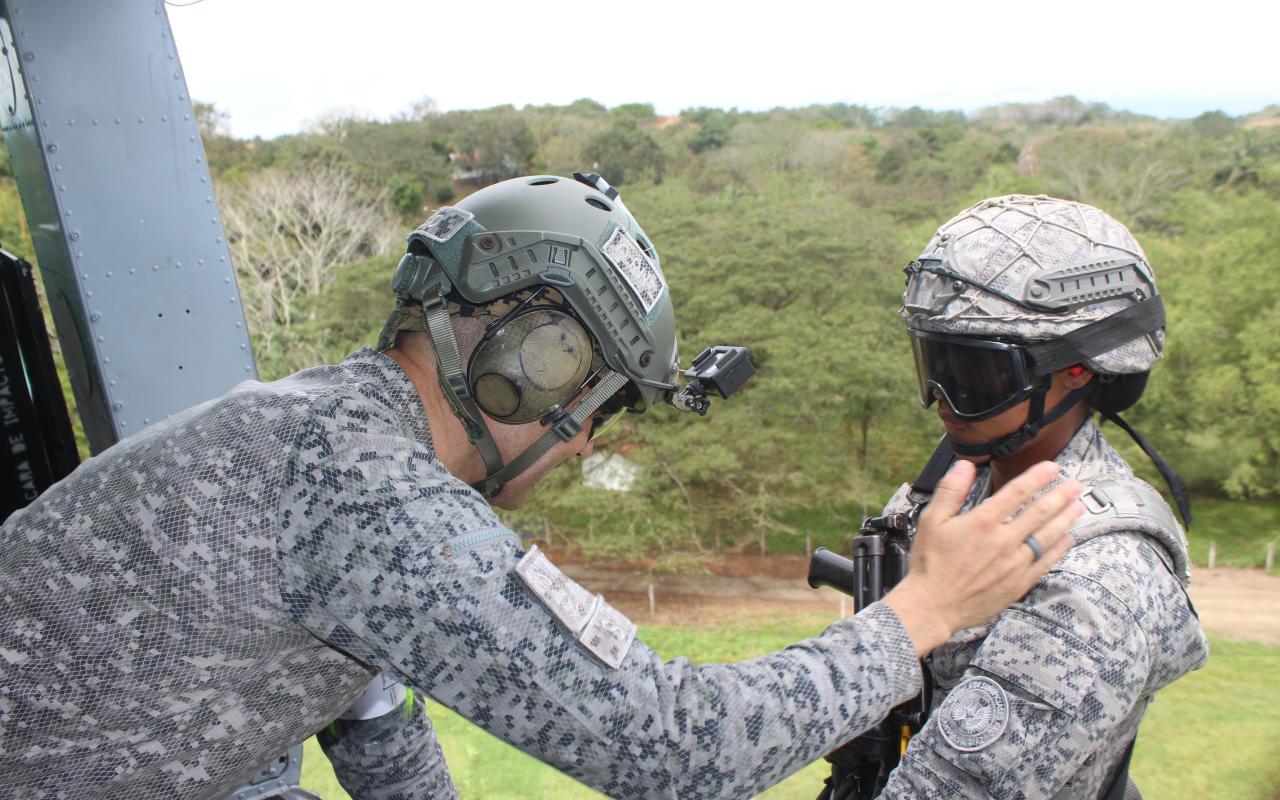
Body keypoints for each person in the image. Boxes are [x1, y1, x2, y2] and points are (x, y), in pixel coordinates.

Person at [0, 175, 1081, 800]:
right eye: (599, 402)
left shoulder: (324, 431)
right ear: (541, 356)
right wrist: (922, 611)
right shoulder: (365, 492)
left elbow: (367, 703)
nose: (580, 444)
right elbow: (669, 741)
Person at [875, 195, 1209, 799]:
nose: (943, 398)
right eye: (933, 364)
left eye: (976, 375)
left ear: (1077, 369)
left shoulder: (1100, 586)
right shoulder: (966, 476)